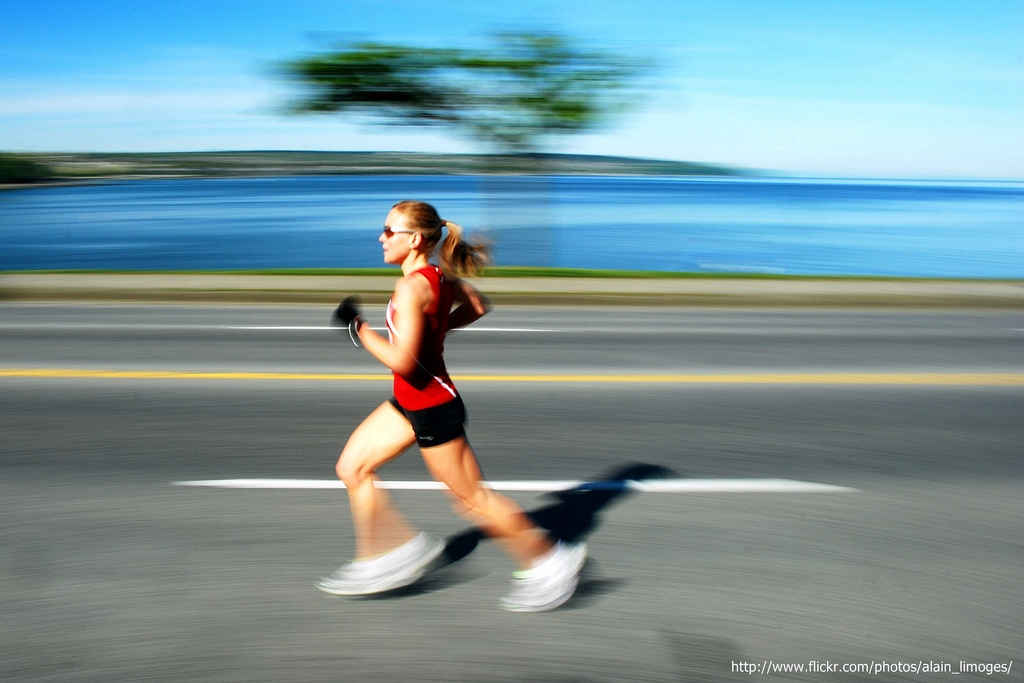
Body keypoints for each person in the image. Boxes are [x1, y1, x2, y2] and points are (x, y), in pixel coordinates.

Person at [315, 200, 586, 612]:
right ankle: (383, 555)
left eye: (389, 231)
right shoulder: (438, 277)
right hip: (409, 402)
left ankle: (550, 561)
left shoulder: (411, 288)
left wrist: (359, 330)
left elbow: (404, 361)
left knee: (472, 500)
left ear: (415, 239)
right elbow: (478, 306)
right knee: (351, 468)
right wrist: (433, 332)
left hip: (433, 406)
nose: (381, 238)